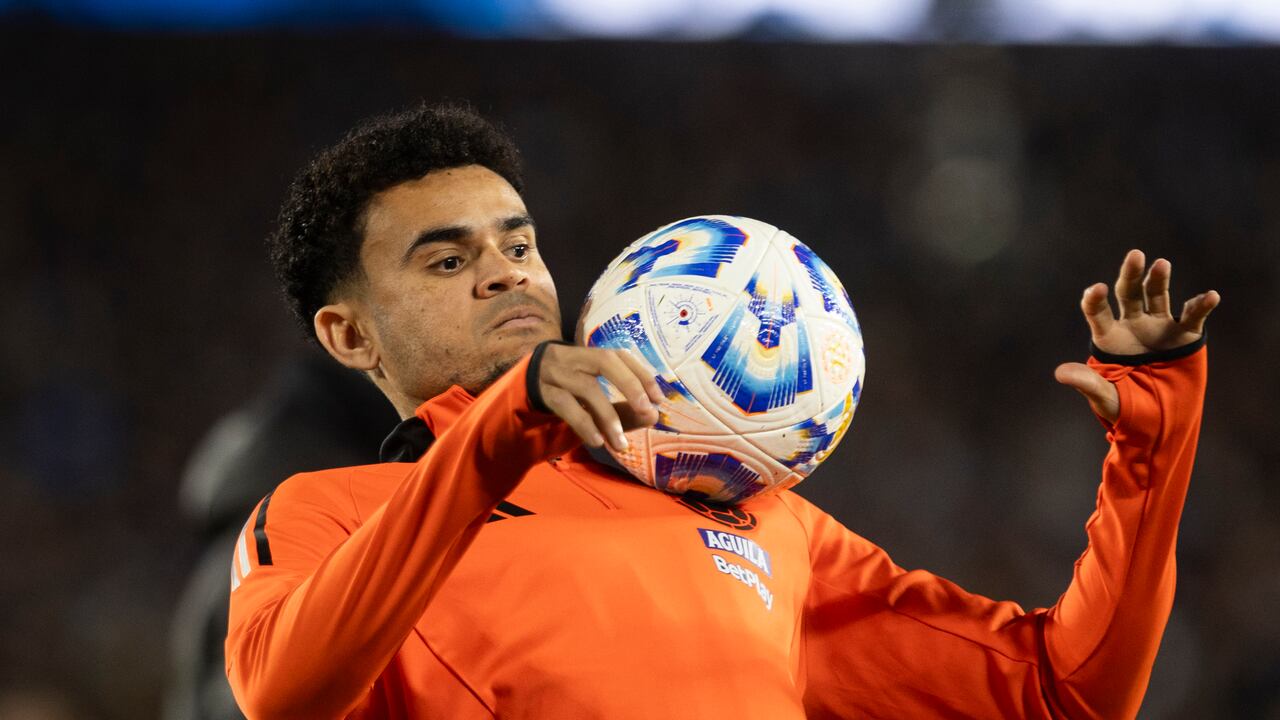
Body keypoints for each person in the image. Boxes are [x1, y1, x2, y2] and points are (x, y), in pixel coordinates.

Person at [224, 102, 1219, 719]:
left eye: (517, 244)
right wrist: (495, 434)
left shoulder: (751, 509)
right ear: (348, 336)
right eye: (447, 259)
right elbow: (281, 691)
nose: (505, 276)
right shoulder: (331, 512)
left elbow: (1063, 694)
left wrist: (1151, 442)